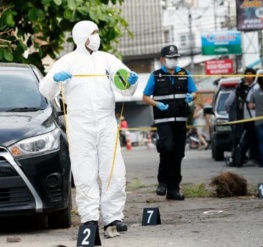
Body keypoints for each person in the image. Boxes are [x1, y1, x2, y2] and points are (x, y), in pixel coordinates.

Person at [39, 20, 138, 232]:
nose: (97, 37)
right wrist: (55, 80)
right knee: (85, 172)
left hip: (106, 122)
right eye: (94, 33)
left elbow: (125, 86)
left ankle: (113, 218)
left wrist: (131, 81)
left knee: (114, 171)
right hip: (79, 124)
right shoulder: (66, 62)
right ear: (83, 36)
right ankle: (89, 218)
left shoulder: (107, 60)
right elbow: (46, 90)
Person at [142, 45, 197, 201]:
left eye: (175, 58)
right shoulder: (156, 75)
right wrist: (157, 104)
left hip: (180, 119)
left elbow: (194, 92)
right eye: (170, 58)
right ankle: (162, 182)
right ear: (163, 59)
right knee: (167, 147)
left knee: (178, 154)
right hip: (163, 119)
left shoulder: (184, 74)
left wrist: (191, 97)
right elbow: (145, 96)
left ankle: (174, 189)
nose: (173, 61)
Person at [224, 68, 258, 167]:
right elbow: (228, 104)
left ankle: (250, 157)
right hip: (241, 120)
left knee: (251, 139)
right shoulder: (238, 90)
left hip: (254, 119)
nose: (248, 77)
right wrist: (233, 115)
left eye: (250, 75)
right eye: (246, 75)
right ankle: (238, 158)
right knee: (239, 140)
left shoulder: (256, 88)